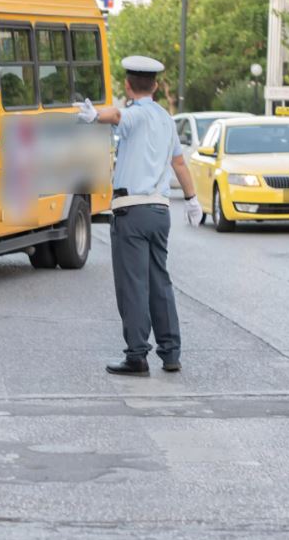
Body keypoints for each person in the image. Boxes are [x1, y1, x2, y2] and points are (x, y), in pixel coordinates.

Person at [76, 56, 202, 377]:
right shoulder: (165, 119)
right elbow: (180, 164)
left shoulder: (133, 115)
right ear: (157, 85)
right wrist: (192, 199)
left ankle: (137, 355)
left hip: (131, 212)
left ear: (128, 86)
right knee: (160, 281)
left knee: (133, 285)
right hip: (160, 211)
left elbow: (116, 114)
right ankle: (171, 353)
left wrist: (94, 116)